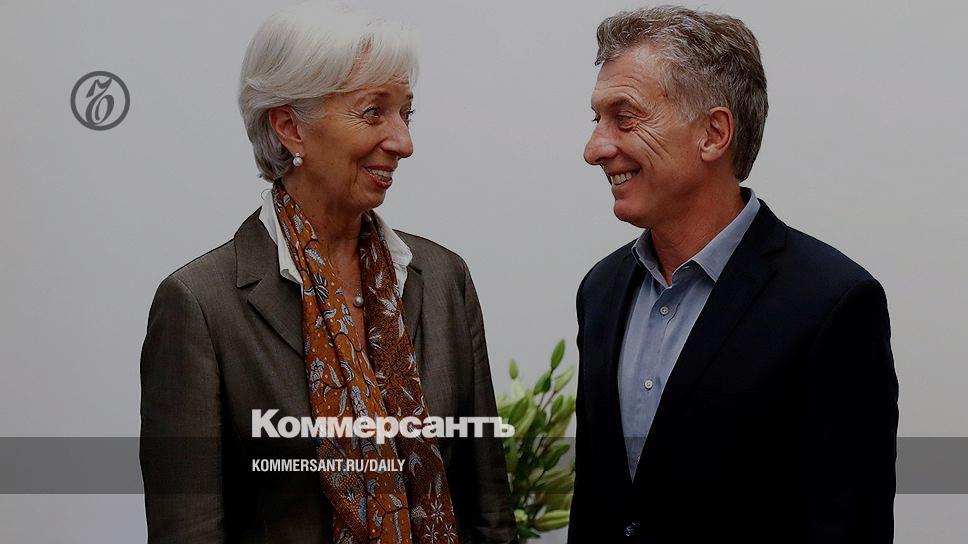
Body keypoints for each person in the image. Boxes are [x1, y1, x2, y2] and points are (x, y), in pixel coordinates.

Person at [139, 2, 514, 542]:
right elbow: (188, 531)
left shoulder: (442, 277)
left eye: (406, 114)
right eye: (373, 112)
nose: (403, 143)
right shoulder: (200, 305)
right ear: (290, 127)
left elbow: (489, 511)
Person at [568, 6, 898, 543]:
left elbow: (848, 524)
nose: (595, 149)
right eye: (596, 120)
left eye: (624, 118)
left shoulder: (832, 303)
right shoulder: (601, 290)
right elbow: (597, 506)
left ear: (713, 133)